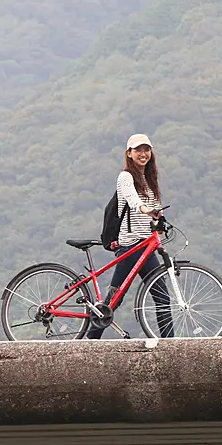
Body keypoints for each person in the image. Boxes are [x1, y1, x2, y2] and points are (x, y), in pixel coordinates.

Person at [86, 133, 175, 339]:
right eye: (138, 150)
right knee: (114, 299)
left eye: (146, 150)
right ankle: (90, 340)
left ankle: (170, 342)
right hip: (129, 247)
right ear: (129, 153)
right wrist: (145, 209)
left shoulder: (150, 180)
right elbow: (132, 200)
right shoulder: (125, 177)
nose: (143, 154)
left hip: (146, 247)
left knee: (162, 296)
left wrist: (159, 218)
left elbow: (154, 209)